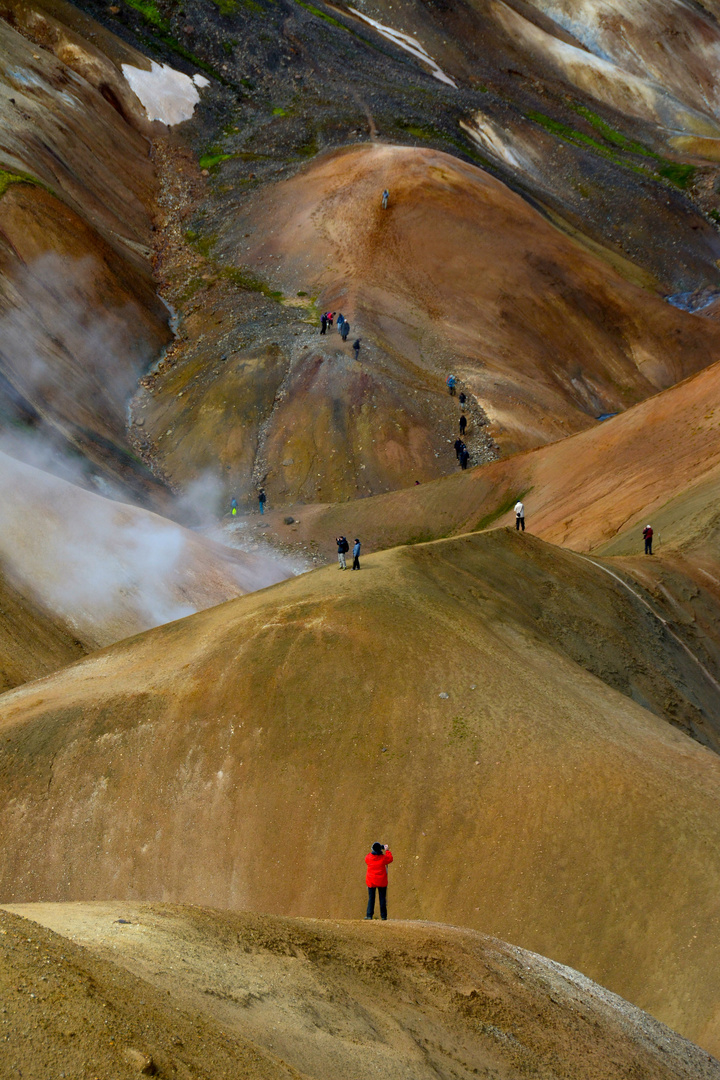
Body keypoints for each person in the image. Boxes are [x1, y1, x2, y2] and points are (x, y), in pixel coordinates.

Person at [365, 841, 393, 920]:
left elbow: (367, 858)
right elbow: (390, 859)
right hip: (382, 882)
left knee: (371, 898)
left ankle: (369, 915)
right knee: (382, 899)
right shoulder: (383, 858)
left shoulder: (369, 858)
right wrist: (387, 850)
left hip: (371, 881)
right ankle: (383, 916)